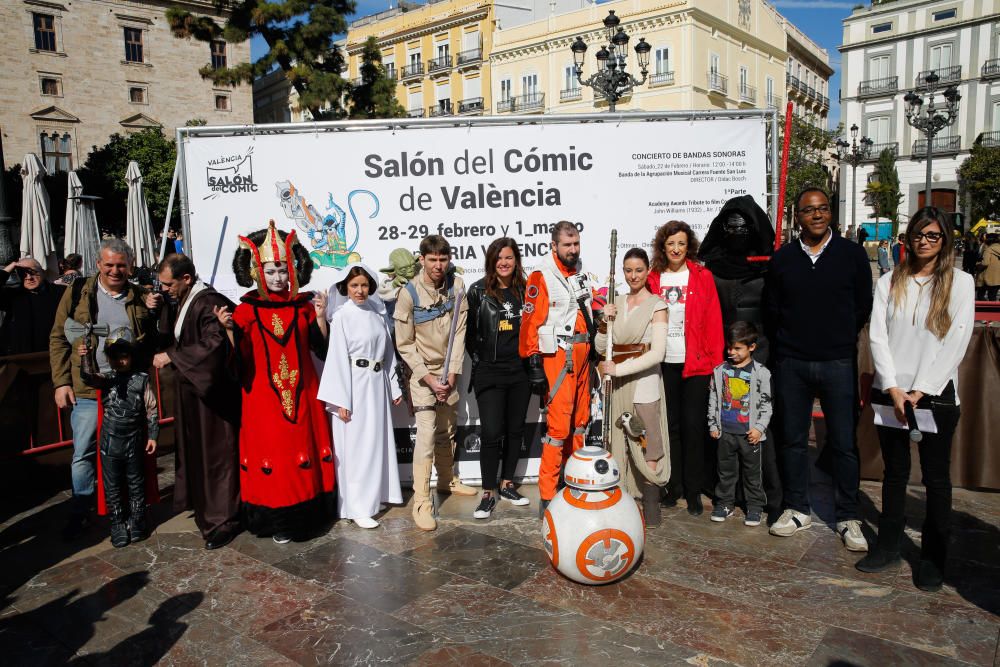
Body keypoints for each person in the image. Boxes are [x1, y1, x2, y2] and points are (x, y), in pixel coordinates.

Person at [855, 208, 974, 592]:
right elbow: (878, 335)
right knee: (894, 473)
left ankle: (933, 559)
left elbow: (957, 340)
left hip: (935, 395)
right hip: (892, 393)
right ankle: (888, 545)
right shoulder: (889, 281)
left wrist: (921, 389)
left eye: (933, 236)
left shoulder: (961, 283)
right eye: (919, 235)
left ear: (945, 241)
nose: (925, 242)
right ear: (909, 238)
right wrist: (892, 387)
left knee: (937, 480)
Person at [765, 188, 873, 551]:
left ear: (830, 213)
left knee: (843, 443)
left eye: (823, 208)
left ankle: (848, 515)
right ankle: (797, 508)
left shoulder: (852, 254)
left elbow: (862, 305)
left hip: (837, 361)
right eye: (809, 210)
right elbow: (772, 309)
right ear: (798, 216)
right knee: (793, 440)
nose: (817, 215)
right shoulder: (783, 260)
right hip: (792, 362)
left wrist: (839, 337)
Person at [223, 221, 335, 544]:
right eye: (271, 271)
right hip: (263, 401)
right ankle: (276, 520)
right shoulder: (245, 311)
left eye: (283, 271)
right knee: (276, 456)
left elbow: (319, 347)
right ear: (257, 272)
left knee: (302, 452)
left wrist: (321, 317)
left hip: (304, 395)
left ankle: (308, 517)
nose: (278, 278)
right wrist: (230, 331)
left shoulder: (304, 305)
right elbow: (237, 362)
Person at [50, 238, 157, 540]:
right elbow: (58, 338)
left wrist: (154, 313)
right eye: (109, 264)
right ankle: (80, 511)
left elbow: (150, 341)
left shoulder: (138, 296)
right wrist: (61, 382)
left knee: (130, 455)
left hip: (126, 390)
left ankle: (131, 512)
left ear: (130, 266)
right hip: (87, 389)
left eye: (121, 265)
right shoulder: (77, 293)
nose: (115, 270)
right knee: (84, 452)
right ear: (98, 264)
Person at [699, 195, 782, 519]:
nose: (736, 231)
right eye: (730, 226)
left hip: (759, 352)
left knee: (760, 428)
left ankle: (765, 499)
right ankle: (725, 494)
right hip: (725, 352)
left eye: (743, 226)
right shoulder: (712, 265)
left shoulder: (768, 265)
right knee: (725, 426)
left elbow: (776, 312)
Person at [152, 253, 242, 550]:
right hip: (194, 395)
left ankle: (222, 519)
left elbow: (215, 343)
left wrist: (174, 356)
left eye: (168, 284)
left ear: (186, 278)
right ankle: (207, 510)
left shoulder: (209, 302)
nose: (164, 289)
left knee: (217, 456)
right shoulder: (186, 300)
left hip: (213, 399)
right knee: (200, 454)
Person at [394, 234, 476, 531]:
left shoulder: (457, 287)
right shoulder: (409, 294)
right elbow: (404, 345)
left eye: (443, 259)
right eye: (432, 260)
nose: (438, 265)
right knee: (426, 438)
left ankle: (446, 481)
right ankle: (421, 501)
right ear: (422, 260)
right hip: (422, 375)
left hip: (448, 371)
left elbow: (460, 333)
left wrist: (451, 372)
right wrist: (428, 377)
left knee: (447, 429)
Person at [519, 222, 597, 516]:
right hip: (558, 358)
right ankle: (548, 495)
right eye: (567, 245)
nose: (573, 249)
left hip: (583, 354)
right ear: (554, 246)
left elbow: (586, 311)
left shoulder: (581, 272)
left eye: (576, 243)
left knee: (580, 424)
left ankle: (574, 482)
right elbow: (530, 323)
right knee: (558, 429)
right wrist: (534, 362)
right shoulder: (541, 276)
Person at [647, 220, 724, 516]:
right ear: (662, 248)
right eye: (670, 244)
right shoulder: (654, 278)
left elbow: (714, 322)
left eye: (681, 243)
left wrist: (716, 365)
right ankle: (673, 487)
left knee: (694, 428)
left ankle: (693, 491)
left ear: (688, 245)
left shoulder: (703, 277)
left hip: (696, 364)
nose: (676, 249)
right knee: (671, 428)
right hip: (662, 363)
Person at [317, 263, 403, 529]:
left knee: (375, 443)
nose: (360, 290)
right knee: (356, 448)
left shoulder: (377, 315)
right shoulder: (342, 316)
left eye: (364, 285)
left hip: (376, 387)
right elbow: (337, 358)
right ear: (346, 287)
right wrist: (341, 399)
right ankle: (357, 506)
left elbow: (388, 354)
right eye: (354, 285)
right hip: (354, 387)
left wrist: (394, 386)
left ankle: (375, 496)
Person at [595, 248, 671, 527]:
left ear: (648, 270)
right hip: (617, 384)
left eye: (639, 270)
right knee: (619, 442)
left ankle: (651, 506)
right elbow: (601, 348)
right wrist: (604, 322)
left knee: (647, 440)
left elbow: (657, 353)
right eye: (628, 270)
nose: (633, 275)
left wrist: (619, 369)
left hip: (644, 381)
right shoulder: (615, 301)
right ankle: (622, 504)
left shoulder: (658, 305)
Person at [466, 238, 532, 519]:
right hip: (490, 372)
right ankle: (488, 492)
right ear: (491, 261)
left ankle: (508, 484)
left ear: (516, 260)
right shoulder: (478, 291)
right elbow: (468, 334)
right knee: (492, 433)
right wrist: (482, 360)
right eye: (498, 258)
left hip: (520, 371)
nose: (504, 263)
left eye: (509, 257)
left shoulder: (527, 290)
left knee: (515, 430)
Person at [78, 328, 158, 547]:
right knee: (112, 486)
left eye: (124, 355)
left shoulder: (141, 379)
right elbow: (87, 377)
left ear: (132, 355)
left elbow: (152, 408)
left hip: (134, 439)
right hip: (110, 442)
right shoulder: (107, 379)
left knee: (136, 483)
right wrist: (86, 355)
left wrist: (153, 435)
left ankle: (138, 520)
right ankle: (117, 524)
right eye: (115, 356)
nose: (120, 361)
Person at [707, 321, 772, 527]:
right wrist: (713, 425)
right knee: (725, 472)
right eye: (729, 347)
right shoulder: (719, 371)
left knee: (753, 475)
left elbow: (766, 404)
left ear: (751, 347)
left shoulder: (761, 372)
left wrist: (759, 428)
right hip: (725, 433)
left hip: (749, 434)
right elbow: (713, 399)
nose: (731, 352)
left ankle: (754, 507)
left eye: (737, 348)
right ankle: (725, 504)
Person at [2, 257, 66, 355]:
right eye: (23, 274)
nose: (29, 277)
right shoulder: (13, 296)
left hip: (53, 355)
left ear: (43, 272)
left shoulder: (60, 293)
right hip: (19, 357)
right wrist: (11, 266)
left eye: (33, 272)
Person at [981, 233, 1000, 301]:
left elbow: (985, 263)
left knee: (991, 295)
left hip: (992, 277)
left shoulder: (989, 249)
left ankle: (993, 310)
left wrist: (978, 265)